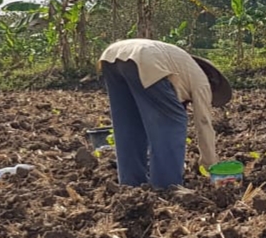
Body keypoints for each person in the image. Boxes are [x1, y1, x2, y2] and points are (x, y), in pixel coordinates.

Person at [99, 39, 232, 188]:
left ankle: (131, 183)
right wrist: (210, 164)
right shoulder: (203, 82)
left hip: (112, 56)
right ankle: (167, 186)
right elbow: (204, 123)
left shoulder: (182, 67)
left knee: (130, 123)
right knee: (173, 122)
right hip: (146, 58)